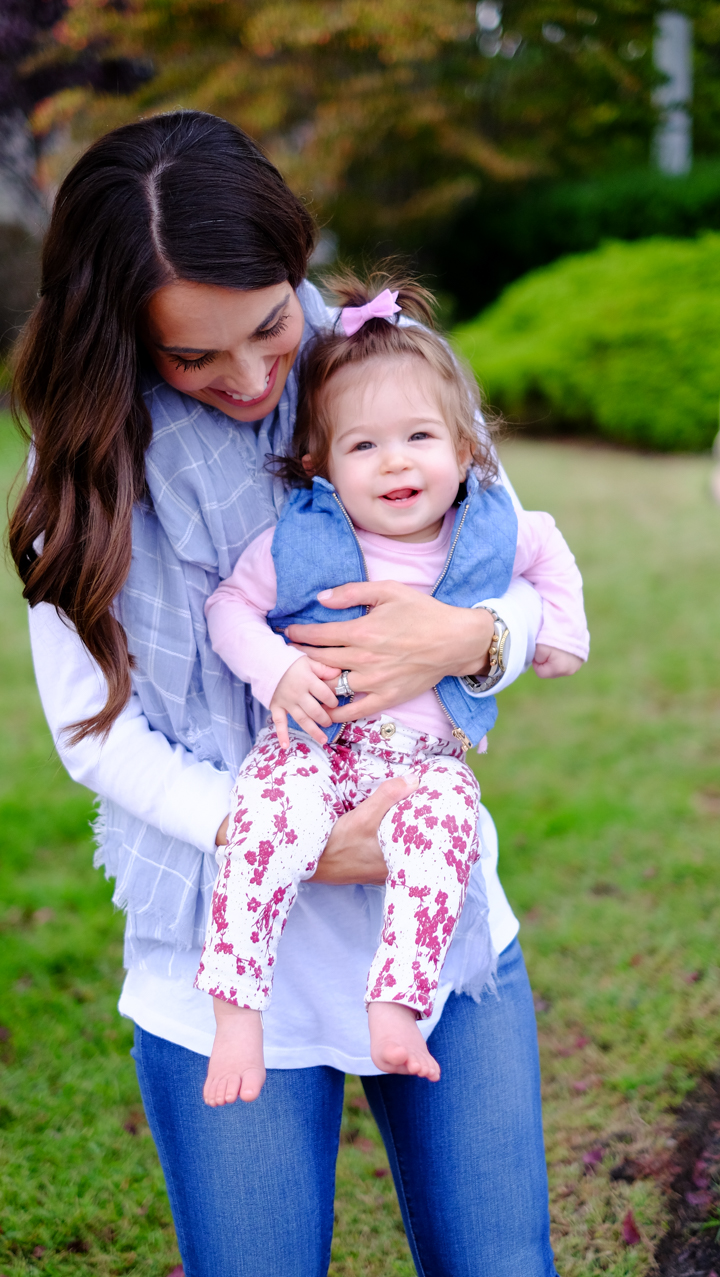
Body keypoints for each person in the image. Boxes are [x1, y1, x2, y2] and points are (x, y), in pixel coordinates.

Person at [9, 110, 588, 1277]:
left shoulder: (385, 370)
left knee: (502, 1264)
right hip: (222, 932)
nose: (251, 376)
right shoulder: (87, 469)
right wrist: (292, 837)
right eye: (192, 355)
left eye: (271, 327)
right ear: (121, 333)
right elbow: (93, 730)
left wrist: (471, 638)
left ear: (297, 264)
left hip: (433, 926)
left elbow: (510, 565)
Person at [197, 274, 588, 1105]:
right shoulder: (299, 537)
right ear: (321, 465)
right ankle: (237, 1007)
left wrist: (559, 634)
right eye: (363, 446)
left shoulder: (487, 526)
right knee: (266, 817)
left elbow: (549, 551)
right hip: (319, 742)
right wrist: (279, 669)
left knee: (451, 830)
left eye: (419, 436)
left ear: (464, 447)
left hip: (425, 758)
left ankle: (396, 1001)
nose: (397, 461)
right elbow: (228, 608)